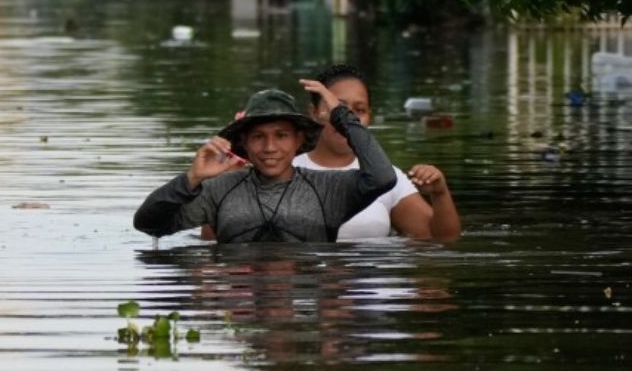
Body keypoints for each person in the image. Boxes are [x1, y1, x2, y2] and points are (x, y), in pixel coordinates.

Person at [134, 81, 397, 243]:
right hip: (243, 301)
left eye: (281, 136)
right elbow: (149, 225)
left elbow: (382, 177)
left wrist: (341, 115)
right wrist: (191, 178)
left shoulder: (328, 189)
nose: (270, 148)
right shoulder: (219, 190)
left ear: (299, 140)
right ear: (244, 144)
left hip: (302, 299)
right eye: (258, 137)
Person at [296, 64, 461, 241]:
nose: (346, 119)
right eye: (337, 108)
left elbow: (440, 240)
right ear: (313, 113)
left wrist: (440, 194)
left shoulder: (386, 177)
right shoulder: (286, 172)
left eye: (359, 111)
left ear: (369, 117)